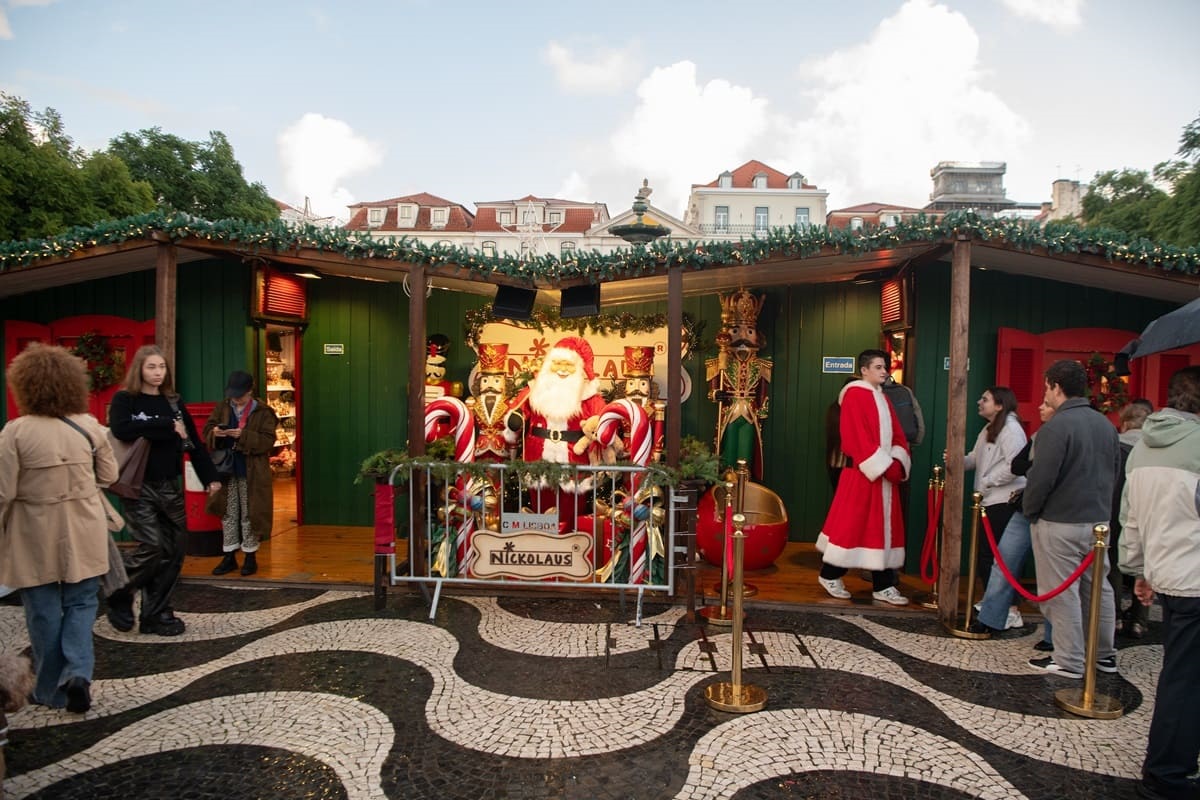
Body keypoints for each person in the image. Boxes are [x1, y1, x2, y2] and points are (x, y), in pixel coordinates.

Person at [0, 343, 119, 712]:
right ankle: (79, 674)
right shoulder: (89, 427)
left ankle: (51, 689)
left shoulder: (15, 432)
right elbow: (110, 476)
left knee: (43, 611)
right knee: (82, 603)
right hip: (84, 528)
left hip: (33, 533)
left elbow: (3, 492)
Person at [1119, 365, 1200, 800]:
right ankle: (1167, 772)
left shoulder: (1142, 448)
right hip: (1194, 579)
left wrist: (1139, 571)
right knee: (1185, 680)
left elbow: (1130, 520)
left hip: (1168, 574)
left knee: (1181, 675)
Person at [104, 345, 221, 636]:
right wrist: (167, 425)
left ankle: (156, 614)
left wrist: (210, 478)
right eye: (151, 367)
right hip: (139, 486)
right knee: (152, 546)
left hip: (170, 486)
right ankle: (119, 589)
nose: (158, 373)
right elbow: (121, 429)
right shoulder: (125, 399)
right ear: (139, 369)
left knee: (173, 552)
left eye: (161, 367)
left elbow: (192, 442)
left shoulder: (173, 402)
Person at [1023, 359, 1120, 679]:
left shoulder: (1056, 427)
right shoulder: (1105, 425)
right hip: (1098, 523)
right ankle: (1104, 654)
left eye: (1046, 387)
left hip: (1060, 521)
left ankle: (1069, 659)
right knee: (1099, 591)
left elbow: (1041, 478)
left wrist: (1031, 510)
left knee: (1061, 595)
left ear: (1056, 387)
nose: (1044, 393)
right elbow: (1115, 471)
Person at [816, 349, 911, 605]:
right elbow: (855, 438)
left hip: (881, 477)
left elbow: (898, 435)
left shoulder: (883, 398)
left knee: (879, 531)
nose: (884, 371)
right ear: (864, 370)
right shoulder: (856, 395)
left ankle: (883, 585)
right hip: (863, 476)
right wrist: (885, 466)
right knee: (853, 527)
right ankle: (830, 575)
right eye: (878, 367)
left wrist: (898, 460)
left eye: (885, 367)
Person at [968, 401, 1055, 646]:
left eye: (1047, 403)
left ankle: (1049, 634)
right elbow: (1018, 463)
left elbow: (1017, 466)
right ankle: (992, 616)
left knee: (1050, 573)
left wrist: (989, 481)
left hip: (1039, 507)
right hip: (1024, 504)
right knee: (1001, 561)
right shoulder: (1036, 433)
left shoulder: (1016, 429)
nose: (1040, 407)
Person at [203, 370, 278, 577]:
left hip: (251, 470)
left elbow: (268, 441)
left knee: (249, 513)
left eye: (240, 395)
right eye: (233, 395)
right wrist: (215, 432)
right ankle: (229, 556)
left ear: (250, 391)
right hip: (226, 469)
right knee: (228, 512)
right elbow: (207, 429)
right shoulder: (223, 407)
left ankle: (250, 557)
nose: (236, 399)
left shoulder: (263, 412)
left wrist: (244, 436)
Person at [951, 387, 1027, 583]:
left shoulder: (1011, 430)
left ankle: (1005, 602)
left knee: (997, 557)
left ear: (999, 405)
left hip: (1005, 502)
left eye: (985, 399)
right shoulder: (988, 429)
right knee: (986, 556)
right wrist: (956, 460)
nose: (979, 402)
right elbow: (975, 458)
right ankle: (992, 598)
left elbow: (1015, 466)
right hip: (989, 501)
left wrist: (988, 481)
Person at [1110, 402, 1150, 639]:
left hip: (1116, 509)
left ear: (1125, 423)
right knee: (1143, 563)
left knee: (1113, 563)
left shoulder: (1115, 445)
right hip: (1146, 511)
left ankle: (1114, 616)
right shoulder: (1154, 449)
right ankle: (1139, 620)